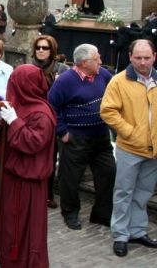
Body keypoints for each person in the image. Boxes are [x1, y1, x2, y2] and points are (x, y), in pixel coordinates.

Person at [48, 43, 115, 230]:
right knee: (70, 179)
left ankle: (101, 215)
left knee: (108, 173)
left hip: (101, 137)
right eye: (97, 58)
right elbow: (52, 107)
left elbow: (116, 94)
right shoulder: (65, 81)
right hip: (75, 138)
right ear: (84, 63)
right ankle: (70, 213)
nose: (101, 61)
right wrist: (63, 132)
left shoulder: (104, 75)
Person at [100, 39, 157, 257]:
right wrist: (130, 132)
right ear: (130, 57)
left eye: (147, 57)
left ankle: (138, 231)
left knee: (143, 193)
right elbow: (108, 111)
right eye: (138, 58)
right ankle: (121, 235)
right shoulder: (119, 81)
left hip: (154, 151)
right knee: (123, 192)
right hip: (130, 148)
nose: (142, 62)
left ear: (154, 56)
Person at [0, 64, 56, 268]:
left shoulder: (41, 113)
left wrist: (14, 122)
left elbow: (33, 143)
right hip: (12, 176)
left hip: (28, 181)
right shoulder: (18, 105)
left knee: (23, 228)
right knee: (9, 224)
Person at [31, 35, 69, 209]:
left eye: (44, 48)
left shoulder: (62, 69)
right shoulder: (29, 67)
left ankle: (48, 193)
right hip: (33, 118)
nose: (40, 50)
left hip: (54, 118)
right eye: (38, 47)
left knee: (50, 158)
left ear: (51, 50)